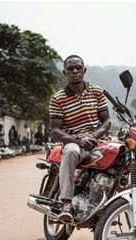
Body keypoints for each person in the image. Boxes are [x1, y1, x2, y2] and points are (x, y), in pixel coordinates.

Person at [49, 54, 111, 222]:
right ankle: (67, 203)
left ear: (84, 70)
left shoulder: (97, 92)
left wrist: (92, 136)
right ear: (65, 72)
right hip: (74, 142)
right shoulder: (58, 98)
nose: (75, 71)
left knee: (125, 157)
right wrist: (78, 140)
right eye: (70, 68)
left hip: (97, 141)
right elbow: (55, 131)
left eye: (78, 68)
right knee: (70, 152)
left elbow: (106, 122)